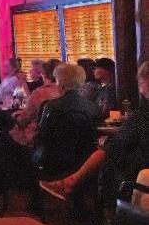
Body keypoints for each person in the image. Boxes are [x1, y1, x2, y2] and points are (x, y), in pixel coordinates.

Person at [41, 62, 149, 200]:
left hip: (137, 171)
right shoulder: (92, 107)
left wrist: (107, 143)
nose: (139, 88)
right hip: (84, 154)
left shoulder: (144, 113)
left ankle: (70, 184)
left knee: (107, 151)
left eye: (140, 83)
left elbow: (121, 142)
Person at [10, 59, 62, 147]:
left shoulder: (39, 93)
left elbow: (24, 119)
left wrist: (15, 116)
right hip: (60, 136)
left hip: (38, 137)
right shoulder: (65, 91)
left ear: (43, 74)